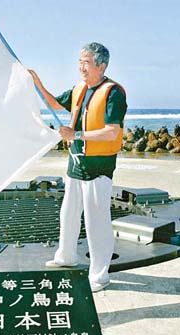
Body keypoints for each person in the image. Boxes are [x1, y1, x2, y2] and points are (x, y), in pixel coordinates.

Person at [29, 42, 127, 292]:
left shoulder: (113, 93)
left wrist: (77, 134)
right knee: (68, 214)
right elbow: (52, 102)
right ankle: (66, 256)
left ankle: (99, 276)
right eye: (79, 62)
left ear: (101, 66)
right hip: (75, 165)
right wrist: (35, 81)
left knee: (97, 222)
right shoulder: (79, 90)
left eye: (86, 63)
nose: (81, 68)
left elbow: (111, 132)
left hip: (98, 167)